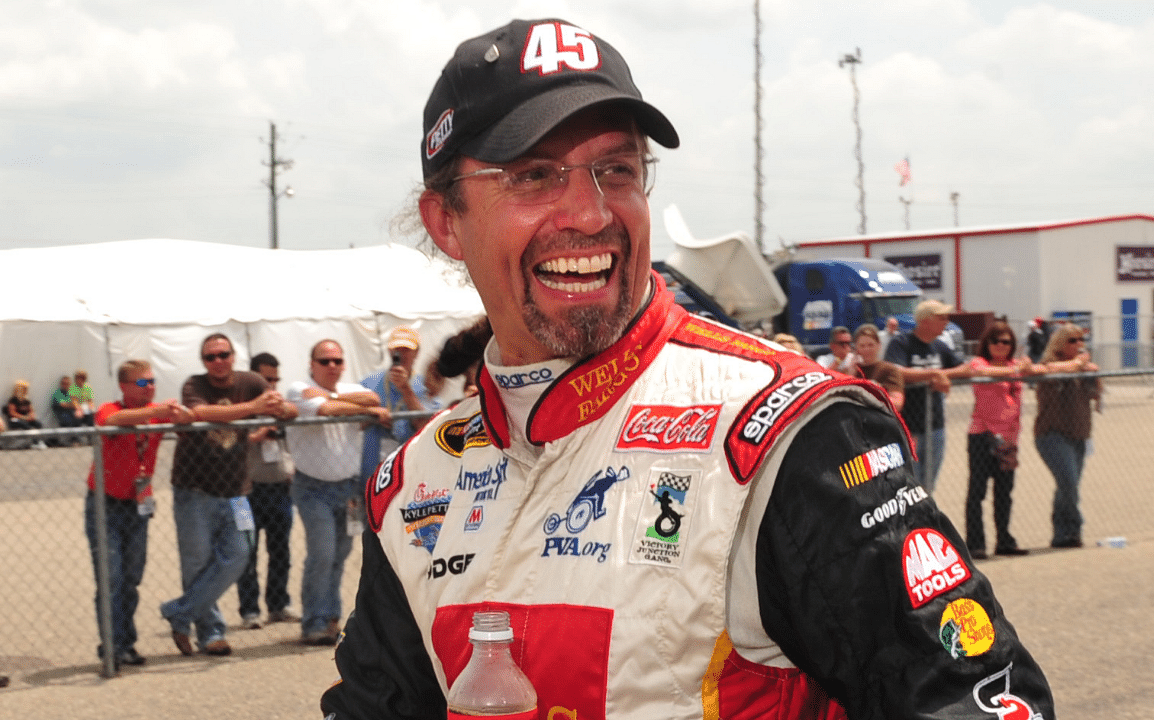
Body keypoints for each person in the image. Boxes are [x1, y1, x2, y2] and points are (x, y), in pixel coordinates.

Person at [320, 18, 1052, 719]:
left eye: (617, 169)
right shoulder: (417, 480)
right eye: (533, 175)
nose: (590, 211)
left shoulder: (784, 436)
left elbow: (976, 700)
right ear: (446, 221)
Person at [161, 333, 296, 657]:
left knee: (240, 554)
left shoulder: (250, 381)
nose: (218, 361)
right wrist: (253, 407)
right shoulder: (194, 385)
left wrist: (281, 407)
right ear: (204, 362)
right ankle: (211, 633)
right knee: (197, 563)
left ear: (233, 356)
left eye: (223, 354)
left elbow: (288, 411)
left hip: (237, 491)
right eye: (211, 357)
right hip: (194, 489)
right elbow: (201, 413)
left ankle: (180, 613)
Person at [86, 360, 195, 667]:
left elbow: (187, 421)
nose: (151, 388)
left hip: (137, 504)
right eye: (143, 383)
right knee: (111, 578)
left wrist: (180, 414)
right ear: (124, 386)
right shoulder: (110, 408)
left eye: (152, 381)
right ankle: (112, 645)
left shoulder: (155, 417)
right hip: (104, 504)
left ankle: (125, 642)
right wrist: (156, 412)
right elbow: (113, 420)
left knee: (131, 578)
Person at [287, 340, 389, 646]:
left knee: (340, 555)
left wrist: (332, 396)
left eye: (336, 361)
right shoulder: (296, 388)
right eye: (324, 361)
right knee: (322, 553)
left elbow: (373, 398)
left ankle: (331, 618)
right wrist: (339, 402)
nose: (331, 366)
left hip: (348, 488)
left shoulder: (347, 388)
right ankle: (314, 622)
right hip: (312, 487)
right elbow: (329, 409)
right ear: (312, 364)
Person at [964, 323, 1043, 559]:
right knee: (977, 491)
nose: (1001, 346)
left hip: (1008, 439)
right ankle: (976, 543)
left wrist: (1027, 367)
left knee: (1004, 492)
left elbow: (1043, 368)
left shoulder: (1015, 365)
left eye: (1006, 342)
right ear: (987, 344)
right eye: (996, 341)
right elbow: (979, 373)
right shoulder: (980, 363)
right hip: (982, 435)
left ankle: (1004, 540)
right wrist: (1019, 368)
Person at [236, 352, 298, 629]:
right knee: (246, 553)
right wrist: (260, 434)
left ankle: (278, 604)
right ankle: (250, 610)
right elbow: (231, 444)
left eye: (275, 380)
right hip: (247, 491)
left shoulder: (282, 408)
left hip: (279, 488)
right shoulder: (241, 407)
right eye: (266, 379)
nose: (271, 385)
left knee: (280, 551)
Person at [884, 299, 971, 493]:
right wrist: (932, 374)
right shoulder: (902, 343)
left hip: (935, 427)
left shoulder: (939, 346)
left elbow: (965, 367)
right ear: (925, 321)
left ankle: (925, 522)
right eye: (941, 318)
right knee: (908, 486)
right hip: (908, 428)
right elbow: (896, 372)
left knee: (928, 487)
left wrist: (942, 375)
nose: (946, 322)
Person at [1033, 324, 1101, 549]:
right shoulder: (1048, 365)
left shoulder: (1082, 368)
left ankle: (1064, 534)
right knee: (1069, 482)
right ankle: (1075, 525)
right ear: (1060, 343)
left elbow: (1095, 394)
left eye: (1080, 340)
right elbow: (1048, 372)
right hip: (1052, 434)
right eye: (1072, 340)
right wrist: (1078, 365)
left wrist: (1094, 374)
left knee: (1067, 486)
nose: (1078, 344)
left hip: (1079, 433)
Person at [360, 326, 443, 482]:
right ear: (389, 351)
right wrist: (372, 414)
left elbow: (426, 425)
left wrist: (406, 389)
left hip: (411, 474)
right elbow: (353, 425)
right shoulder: (368, 383)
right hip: (373, 474)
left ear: (417, 352)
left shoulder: (427, 387)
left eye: (406, 349)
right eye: (396, 349)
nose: (401, 354)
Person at [851, 323, 904, 410]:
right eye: (862, 346)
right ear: (856, 348)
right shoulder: (852, 370)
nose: (866, 349)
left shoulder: (889, 369)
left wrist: (869, 400)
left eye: (870, 345)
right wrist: (851, 371)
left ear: (878, 345)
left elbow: (897, 403)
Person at [5, 380, 47, 449]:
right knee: (26, 426)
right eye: (24, 389)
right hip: (15, 420)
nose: (26, 391)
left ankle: (39, 441)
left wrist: (32, 416)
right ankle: (34, 442)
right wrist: (24, 417)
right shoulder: (13, 400)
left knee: (38, 424)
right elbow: (12, 413)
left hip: (25, 418)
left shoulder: (26, 400)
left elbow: (31, 410)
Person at [51, 375, 92, 444]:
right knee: (72, 419)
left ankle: (91, 438)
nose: (65, 385)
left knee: (89, 415)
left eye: (67, 383)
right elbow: (64, 405)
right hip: (63, 414)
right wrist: (75, 405)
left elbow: (81, 402)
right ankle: (74, 440)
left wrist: (80, 406)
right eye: (63, 383)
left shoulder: (73, 392)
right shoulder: (58, 393)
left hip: (74, 412)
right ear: (61, 384)